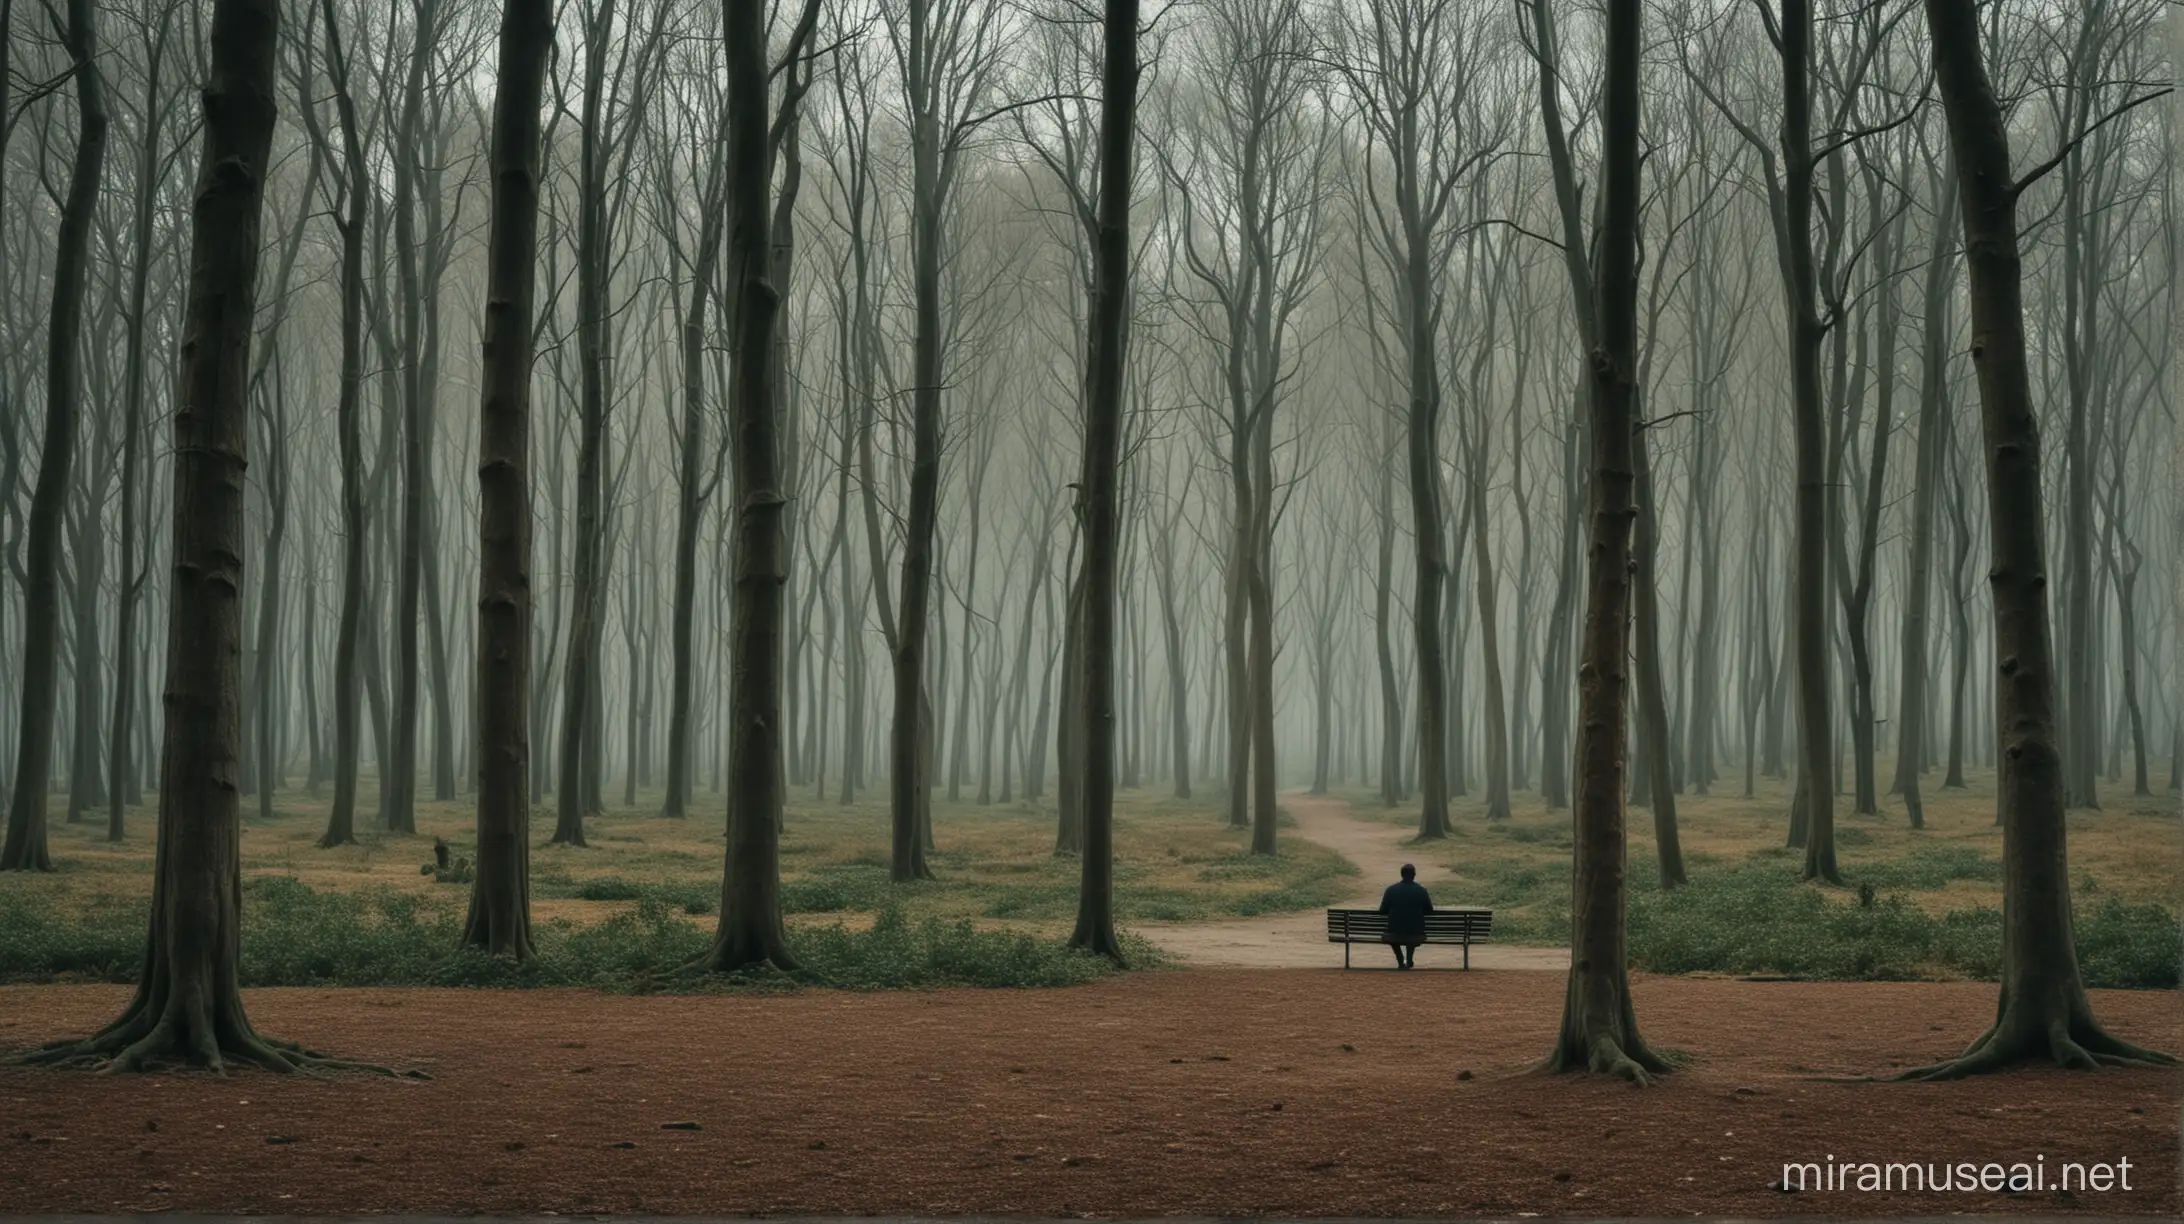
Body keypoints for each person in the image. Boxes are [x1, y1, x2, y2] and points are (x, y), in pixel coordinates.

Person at [1378, 864, 1434, 969]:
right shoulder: (1421, 891)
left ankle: (1400, 960)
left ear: (1401, 874)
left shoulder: (1391, 890)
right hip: (1416, 934)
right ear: (1414, 875)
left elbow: (1382, 911)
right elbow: (1429, 911)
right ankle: (1408, 960)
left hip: (1394, 933)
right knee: (1412, 928)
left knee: (1395, 933)